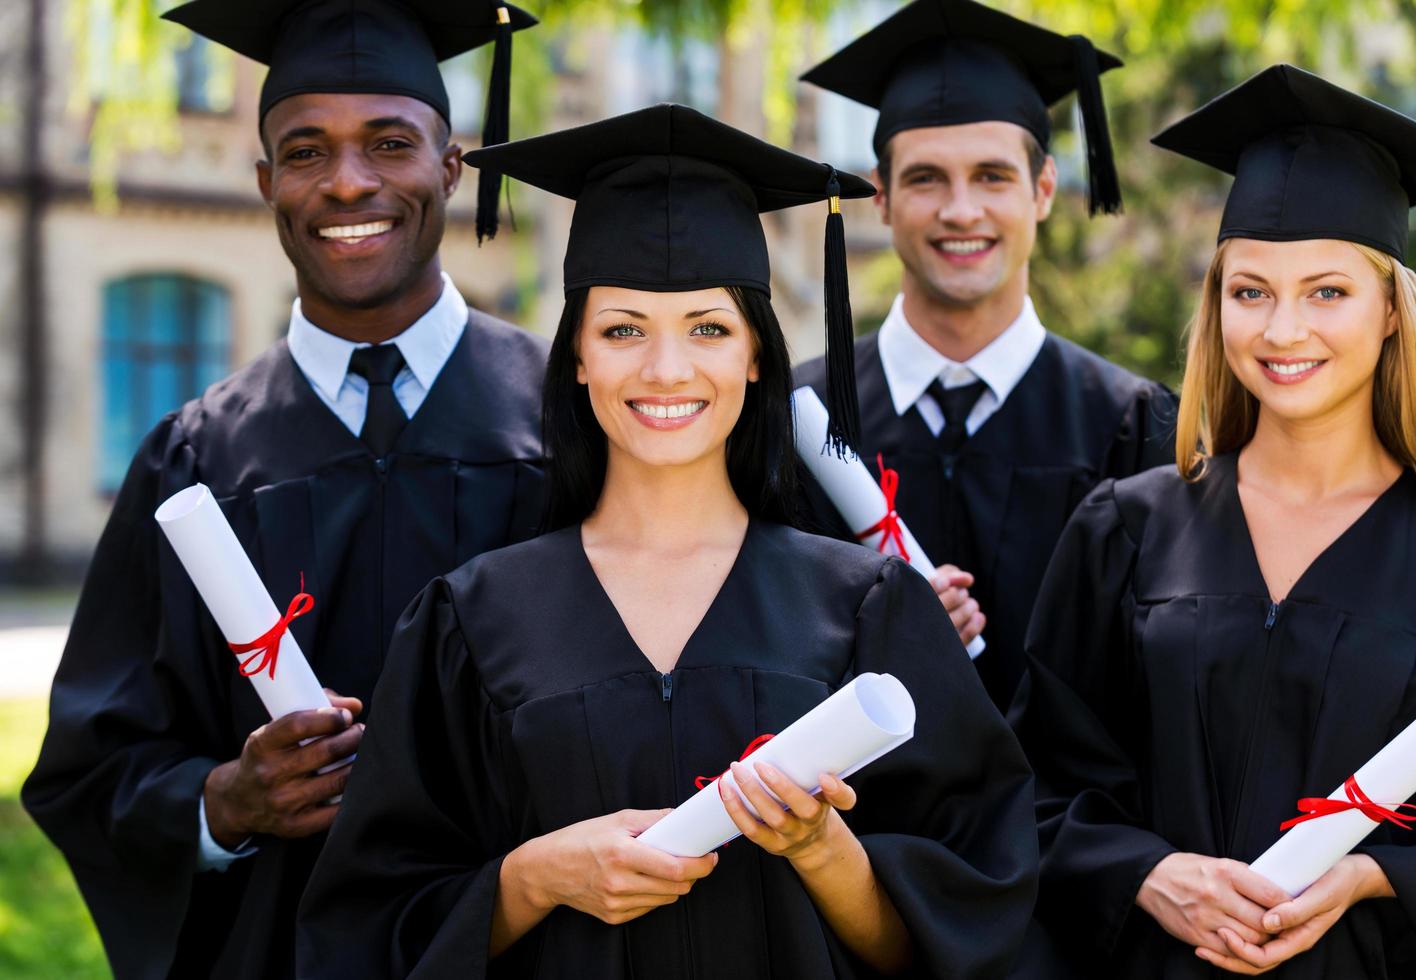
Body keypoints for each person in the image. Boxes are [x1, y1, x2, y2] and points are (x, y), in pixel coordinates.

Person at [296, 103, 1038, 979]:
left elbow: (962, 937)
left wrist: (818, 846)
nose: (665, 371)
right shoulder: (472, 620)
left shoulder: (865, 607)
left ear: (757, 356)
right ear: (575, 354)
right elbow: (367, 927)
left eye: (708, 329)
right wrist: (535, 878)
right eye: (621, 331)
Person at [21, 2, 544, 977]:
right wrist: (223, 801)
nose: (348, 180)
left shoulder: (571, 426)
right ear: (265, 180)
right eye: (306, 151)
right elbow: (92, 770)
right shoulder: (195, 459)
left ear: (449, 166)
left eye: (389, 143)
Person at [1013, 64, 1416, 977]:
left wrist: (1374, 878)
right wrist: (1146, 871)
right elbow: (1027, 791)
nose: (1281, 329)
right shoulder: (1126, 532)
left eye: (1327, 292)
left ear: (1391, 312)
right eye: (1249, 290)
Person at [794, 0, 1177, 713]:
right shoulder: (800, 423)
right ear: (879, 197)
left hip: (1074, 821)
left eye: (992, 177)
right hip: (849, 820)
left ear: (1042, 190)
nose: (960, 210)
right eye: (925, 178)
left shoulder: (1129, 425)